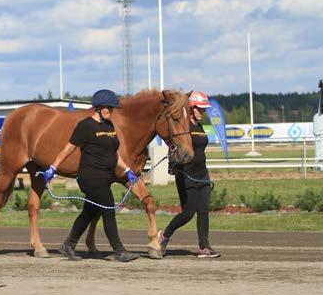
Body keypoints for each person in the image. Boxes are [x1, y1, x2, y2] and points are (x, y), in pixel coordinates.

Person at [42, 89, 140, 262]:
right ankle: (119, 250)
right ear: (98, 107)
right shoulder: (85, 126)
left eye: (112, 108)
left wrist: (127, 170)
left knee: (89, 213)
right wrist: (53, 168)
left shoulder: (109, 126)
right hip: (90, 177)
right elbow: (68, 148)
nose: (111, 110)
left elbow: (113, 153)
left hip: (105, 176)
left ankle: (68, 245)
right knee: (109, 209)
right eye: (108, 107)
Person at [158, 90, 220, 258]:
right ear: (191, 108)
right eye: (199, 109)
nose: (202, 112)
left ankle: (204, 247)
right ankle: (164, 235)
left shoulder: (200, 127)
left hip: (202, 174)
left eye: (204, 109)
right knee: (188, 213)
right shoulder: (183, 127)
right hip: (186, 175)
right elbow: (174, 148)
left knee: (203, 211)